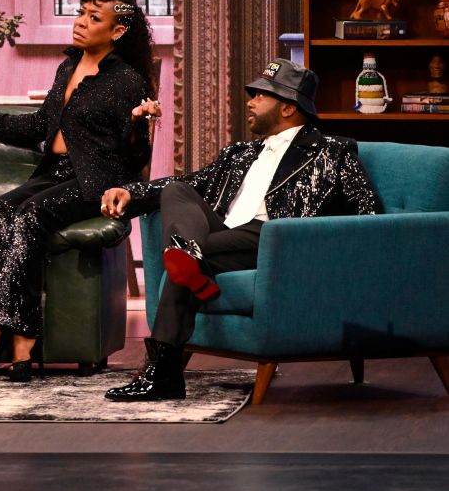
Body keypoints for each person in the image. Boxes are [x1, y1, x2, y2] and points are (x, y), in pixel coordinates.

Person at [100, 58, 383, 402]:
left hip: (277, 240)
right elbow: (191, 183)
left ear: (288, 108)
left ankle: (163, 371)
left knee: (181, 256)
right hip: (223, 235)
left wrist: (320, 249)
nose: (249, 101)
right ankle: (189, 257)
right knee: (178, 193)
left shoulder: (332, 152)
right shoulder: (240, 153)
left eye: (260, 95)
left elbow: (369, 214)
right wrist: (132, 191)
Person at [0, 0, 160, 383]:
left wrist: (135, 127)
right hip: (55, 174)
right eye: (80, 12)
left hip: (95, 178)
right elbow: (40, 124)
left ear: (117, 30)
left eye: (93, 17)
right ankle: (23, 337)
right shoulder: (67, 67)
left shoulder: (127, 81)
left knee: (30, 216)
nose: (80, 21)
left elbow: (134, 162)